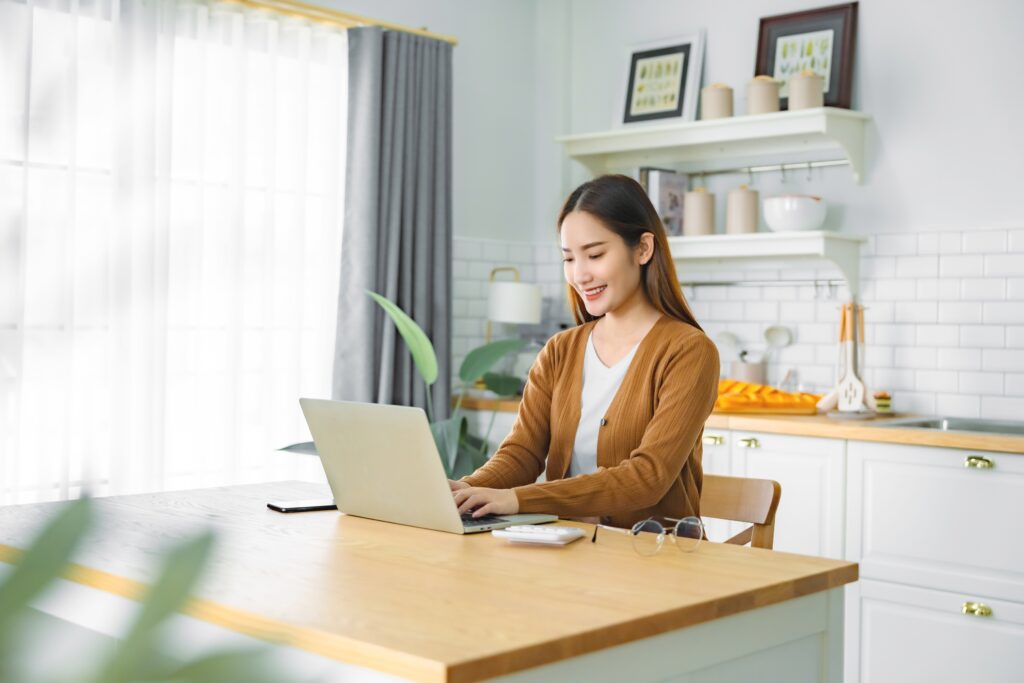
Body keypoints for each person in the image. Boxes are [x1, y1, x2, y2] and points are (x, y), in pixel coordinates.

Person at [450, 174, 720, 530]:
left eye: (594, 255)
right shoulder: (560, 349)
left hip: (654, 559)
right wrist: (466, 489)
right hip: (567, 549)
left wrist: (519, 498)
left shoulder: (689, 351)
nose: (580, 275)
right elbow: (522, 453)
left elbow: (648, 477)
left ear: (643, 249)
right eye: (569, 259)